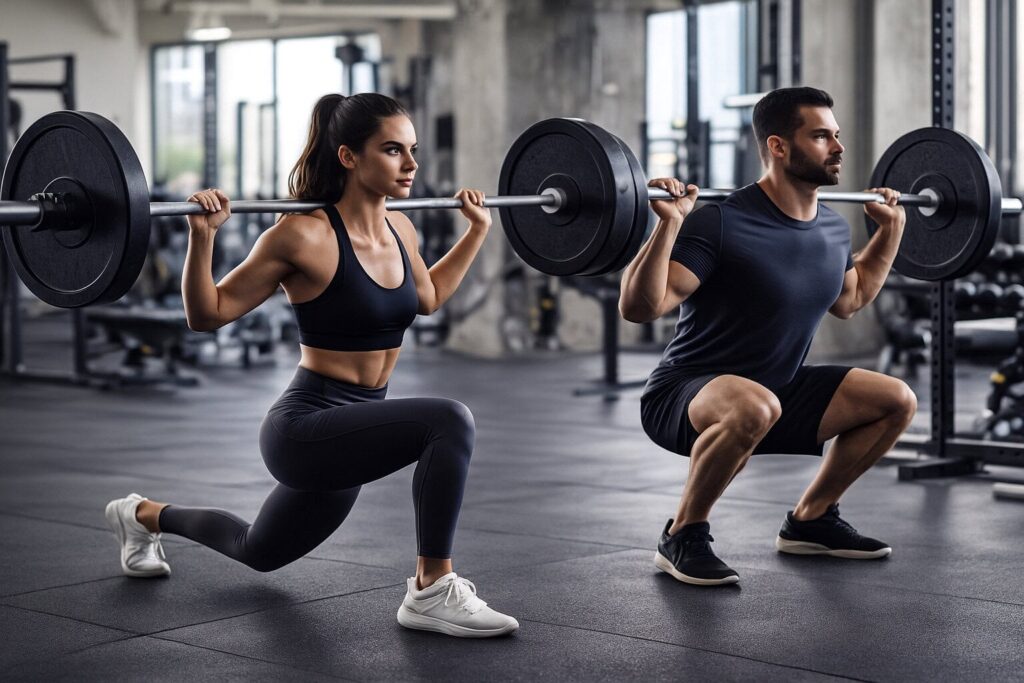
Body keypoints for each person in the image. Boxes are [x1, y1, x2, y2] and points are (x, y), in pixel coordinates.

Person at [105, 93, 518, 637]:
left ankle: (140, 515)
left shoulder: (403, 230)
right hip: (305, 427)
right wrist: (201, 238)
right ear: (349, 157)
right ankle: (430, 589)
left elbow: (430, 296)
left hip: (358, 424)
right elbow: (208, 314)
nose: (412, 165)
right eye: (393, 150)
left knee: (258, 551)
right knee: (449, 420)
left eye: (412, 150)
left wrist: (477, 232)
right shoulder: (301, 235)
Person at [619, 86, 917, 587]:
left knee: (896, 399)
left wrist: (889, 233)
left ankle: (812, 520)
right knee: (754, 406)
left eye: (837, 136)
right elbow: (641, 307)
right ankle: (682, 535)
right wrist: (667, 228)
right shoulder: (720, 222)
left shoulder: (833, 228)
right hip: (686, 394)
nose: (838, 148)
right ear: (778, 146)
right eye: (821, 136)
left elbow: (851, 298)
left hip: (777, 390)